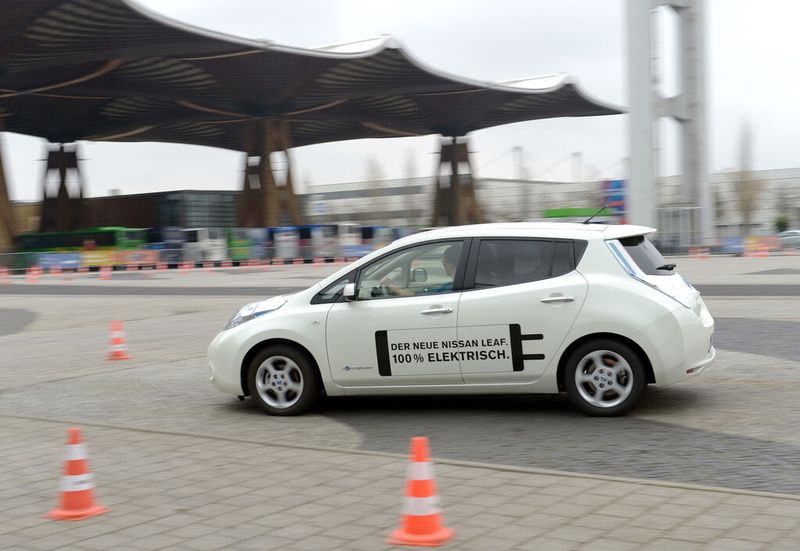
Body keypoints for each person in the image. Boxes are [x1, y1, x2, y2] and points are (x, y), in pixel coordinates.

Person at [381, 244, 460, 297]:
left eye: (443, 261)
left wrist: (391, 286)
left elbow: (413, 296)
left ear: (450, 264)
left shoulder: (450, 287)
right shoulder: (454, 286)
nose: (443, 264)